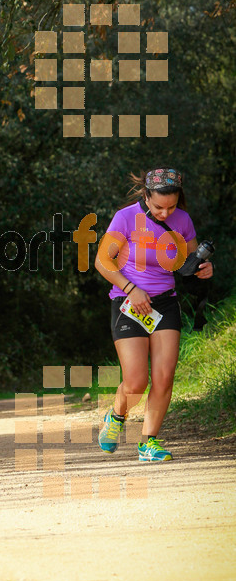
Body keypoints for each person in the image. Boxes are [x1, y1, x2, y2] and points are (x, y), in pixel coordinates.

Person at [95, 167, 213, 461]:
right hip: (128, 302)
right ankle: (117, 415)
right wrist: (131, 288)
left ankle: (148, 443)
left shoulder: (183, 221)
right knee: (135, 382)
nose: (164, 213)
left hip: (165, 304)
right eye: (159, 206)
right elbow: (101, 261)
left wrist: (204, 271)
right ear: (146, 196)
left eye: (171, 206)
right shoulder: (125, 218)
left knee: (164, 377)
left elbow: (188, 267)